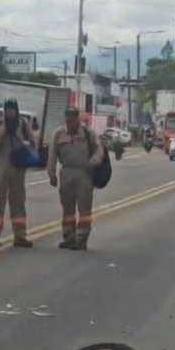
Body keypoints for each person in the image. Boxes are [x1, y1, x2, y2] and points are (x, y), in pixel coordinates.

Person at [47, 106, 103, 250]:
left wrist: (93, 163)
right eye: (68, 118)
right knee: (68, 208)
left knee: (84, 208)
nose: (70, 121)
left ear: (77, 118)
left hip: (84, 173)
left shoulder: (87, 132)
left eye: (73, 117)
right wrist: (51, 173)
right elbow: (52, 154)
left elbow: (98, 149)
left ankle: (81, 238)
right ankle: (69, 237)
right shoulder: (58, 133)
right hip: (66, 172)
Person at [0, 98, 33, 248]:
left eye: (13, 109)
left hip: (18, 169)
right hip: (1, 167)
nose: (10, 113)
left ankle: (20, 236)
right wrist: (2, 132)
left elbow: (33, 141)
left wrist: (21, 138)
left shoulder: (23, 123)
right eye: (8, 110)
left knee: (18, 203)